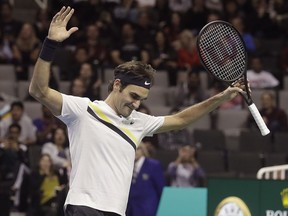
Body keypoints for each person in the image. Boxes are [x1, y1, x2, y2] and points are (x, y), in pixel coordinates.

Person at [29, 6, 247, 216]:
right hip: (83, 207)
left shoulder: (139, 122)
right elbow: (38, 91)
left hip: (116, 211)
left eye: (141, 100)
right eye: (133, 97)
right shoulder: (83, 110)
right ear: (117, 85)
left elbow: (181, 120)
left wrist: (221, 97)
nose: (136, 105)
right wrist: (50, 44)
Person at [126, 142, 165, 216]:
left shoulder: (153, 165)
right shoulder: (127, 166)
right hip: (129, 211)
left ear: (142, 150)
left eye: (137, 149)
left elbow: (161, 189)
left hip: (147, 210)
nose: (134, 151)